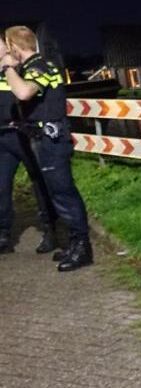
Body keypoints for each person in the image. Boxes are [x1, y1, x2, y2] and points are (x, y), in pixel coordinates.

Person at [1, 26, 92, 271]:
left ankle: (82, 248)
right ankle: (74, 244)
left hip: (52, 141)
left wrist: (8, 67)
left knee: (64, 193)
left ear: (14, 46)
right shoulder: (32, 67)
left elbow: (23, 92)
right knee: (57, 193)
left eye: (7, 47)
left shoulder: (40, 66)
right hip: (42, 139)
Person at [0, 38, 58, 255]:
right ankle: (4, 234)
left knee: (39, 183)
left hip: (24, 134)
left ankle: (50, 230)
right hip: (2, 137)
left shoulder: (23, 69)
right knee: (1, 186)